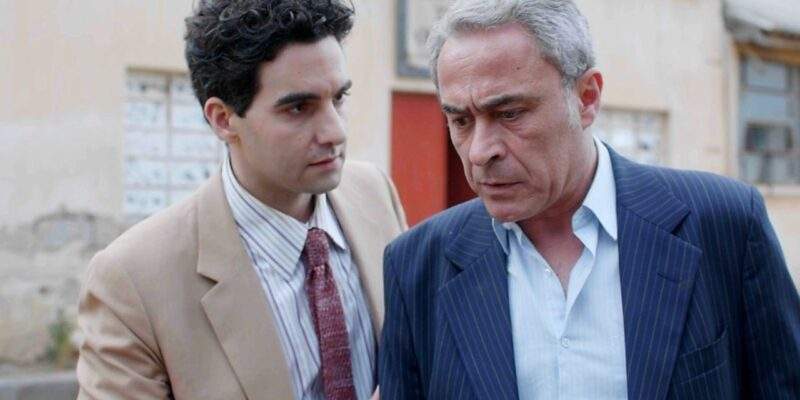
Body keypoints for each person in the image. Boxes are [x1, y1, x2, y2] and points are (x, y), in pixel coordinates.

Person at [379, 0, 800, 399]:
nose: (479, 151)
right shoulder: (416, 267)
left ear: (586, 98)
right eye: (460, 120)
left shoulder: (724, 225)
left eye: (509, 114)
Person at [76, 1, 406, 399]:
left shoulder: (373, 194)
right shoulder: (133, 280)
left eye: (338, 98)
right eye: (299, 108)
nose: (335, 132)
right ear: (223, 119)